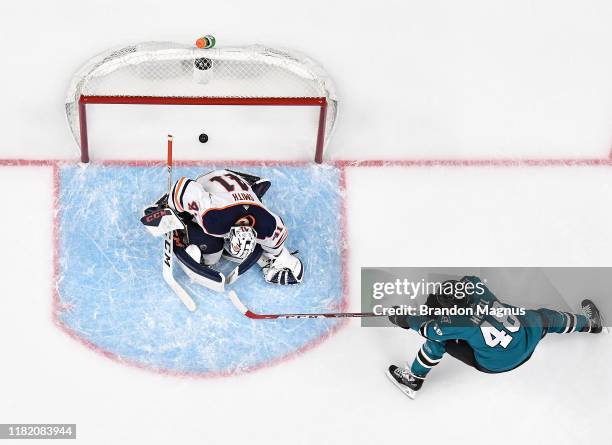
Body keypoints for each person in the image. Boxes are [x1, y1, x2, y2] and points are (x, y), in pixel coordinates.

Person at [386, 276, 604, 399]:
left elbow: (427, 329)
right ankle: (589, 324)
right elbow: (471, 280)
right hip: (525, 339)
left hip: (495, 363)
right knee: (545, 318)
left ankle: (414, 379)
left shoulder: (454, 323)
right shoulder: (478, 289)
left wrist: (403, 318)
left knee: (437, 340)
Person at [145, 168, 303, 286]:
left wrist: (283, 259)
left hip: (234, 188)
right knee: (211, 253)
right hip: (210, 181)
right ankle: (188, 232)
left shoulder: (268, 226)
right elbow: (183, 188)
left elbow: (280, 247)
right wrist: (168, 207)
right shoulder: (213, 219)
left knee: (228, 248)